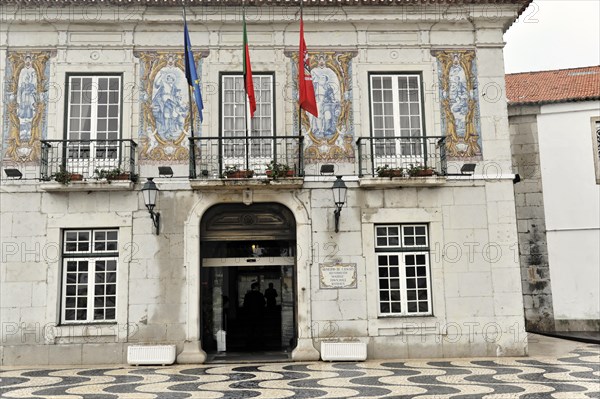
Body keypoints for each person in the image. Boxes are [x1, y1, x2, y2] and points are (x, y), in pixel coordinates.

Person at [243, 282, 265, 349]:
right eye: (258, 287)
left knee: (250, 329)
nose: (259, 288)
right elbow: (263, 304)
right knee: (259, 329)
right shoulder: (260, 295)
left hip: (249, 315)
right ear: (255, 287)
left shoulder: (248, 295)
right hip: (258, 315)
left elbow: (245, 305)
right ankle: (259, 343)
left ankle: (249, 343)